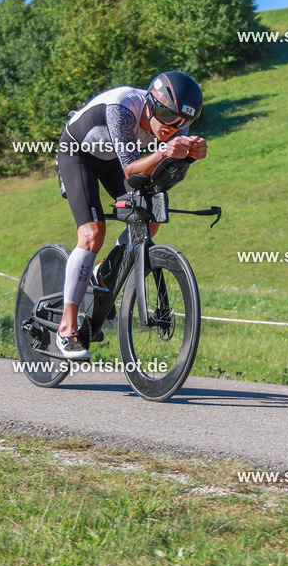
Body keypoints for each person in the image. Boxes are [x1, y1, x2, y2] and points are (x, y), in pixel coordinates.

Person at [54, 71, 207, 359]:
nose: (173, 126)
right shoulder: (122, 108)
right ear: (151, 103)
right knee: (92, 233)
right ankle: (67, 325)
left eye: (183, 122)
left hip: (115, 157)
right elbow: (130, 170)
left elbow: (162, 180)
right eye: (166, 114)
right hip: (78, 154)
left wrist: (188, 157)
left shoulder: (174, 126)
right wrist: (165, 153)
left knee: (148, 218)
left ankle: (103, 272)